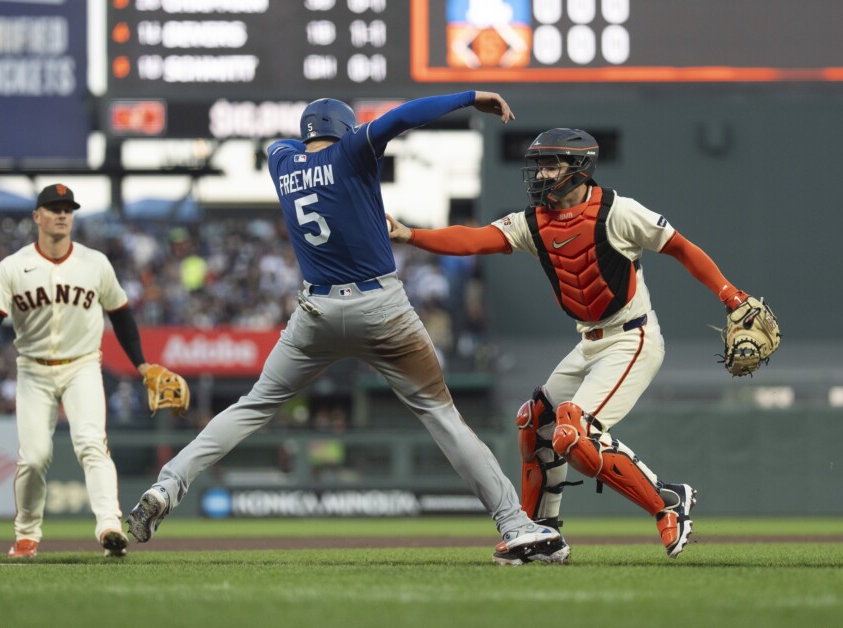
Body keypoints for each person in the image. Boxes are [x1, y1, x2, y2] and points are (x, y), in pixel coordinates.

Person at [126, 91, 566, 565]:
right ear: (344, 127)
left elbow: (280, 148)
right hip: (380, 307)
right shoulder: (353, 148)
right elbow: (401, 117)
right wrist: (469, 97)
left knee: (252, 405)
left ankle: (167, 486)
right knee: (442, 416)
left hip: (315, 312)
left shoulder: (282, 164)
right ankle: (515, 524)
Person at [389, 127, 761, 560]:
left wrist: (731, 296)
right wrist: (411, 234)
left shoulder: (618, 211)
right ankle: (538, 534)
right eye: (540, 165)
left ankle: (668, 503)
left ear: (579, 168)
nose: (541, 174)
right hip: (589, 342)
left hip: (631, 337)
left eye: (550, 164)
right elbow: (475, 239)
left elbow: (681, 248)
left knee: (572, 432)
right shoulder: (533, 222)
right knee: (535, 422)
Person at [0, 183, 155, 559]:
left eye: (67, 209)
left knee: (92, 445)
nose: (61, 214)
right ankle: (26, 535)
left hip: (82, 366)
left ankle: (109, 527)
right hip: (33, 371)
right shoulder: (13, 265)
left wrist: (141, 362)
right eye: (53, 208)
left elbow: (122, 315)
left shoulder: (95, 263)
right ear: (37, 217)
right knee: (35, 456)